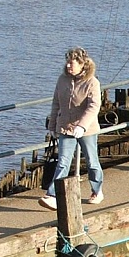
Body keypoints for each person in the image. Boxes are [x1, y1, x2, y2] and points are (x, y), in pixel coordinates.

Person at [39, 48, 103, 209]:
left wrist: (82, 125)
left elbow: (94, 106)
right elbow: (56, 103)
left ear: (82, 64)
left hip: (86, 130)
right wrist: (53, 125)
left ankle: (97, 190)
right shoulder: (62, 80)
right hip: (66, 128)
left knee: (92, 162)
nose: (68, 66)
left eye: (72, 63)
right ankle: (52, 194)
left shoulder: (92, 82)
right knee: (62, 162)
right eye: (67, 62)